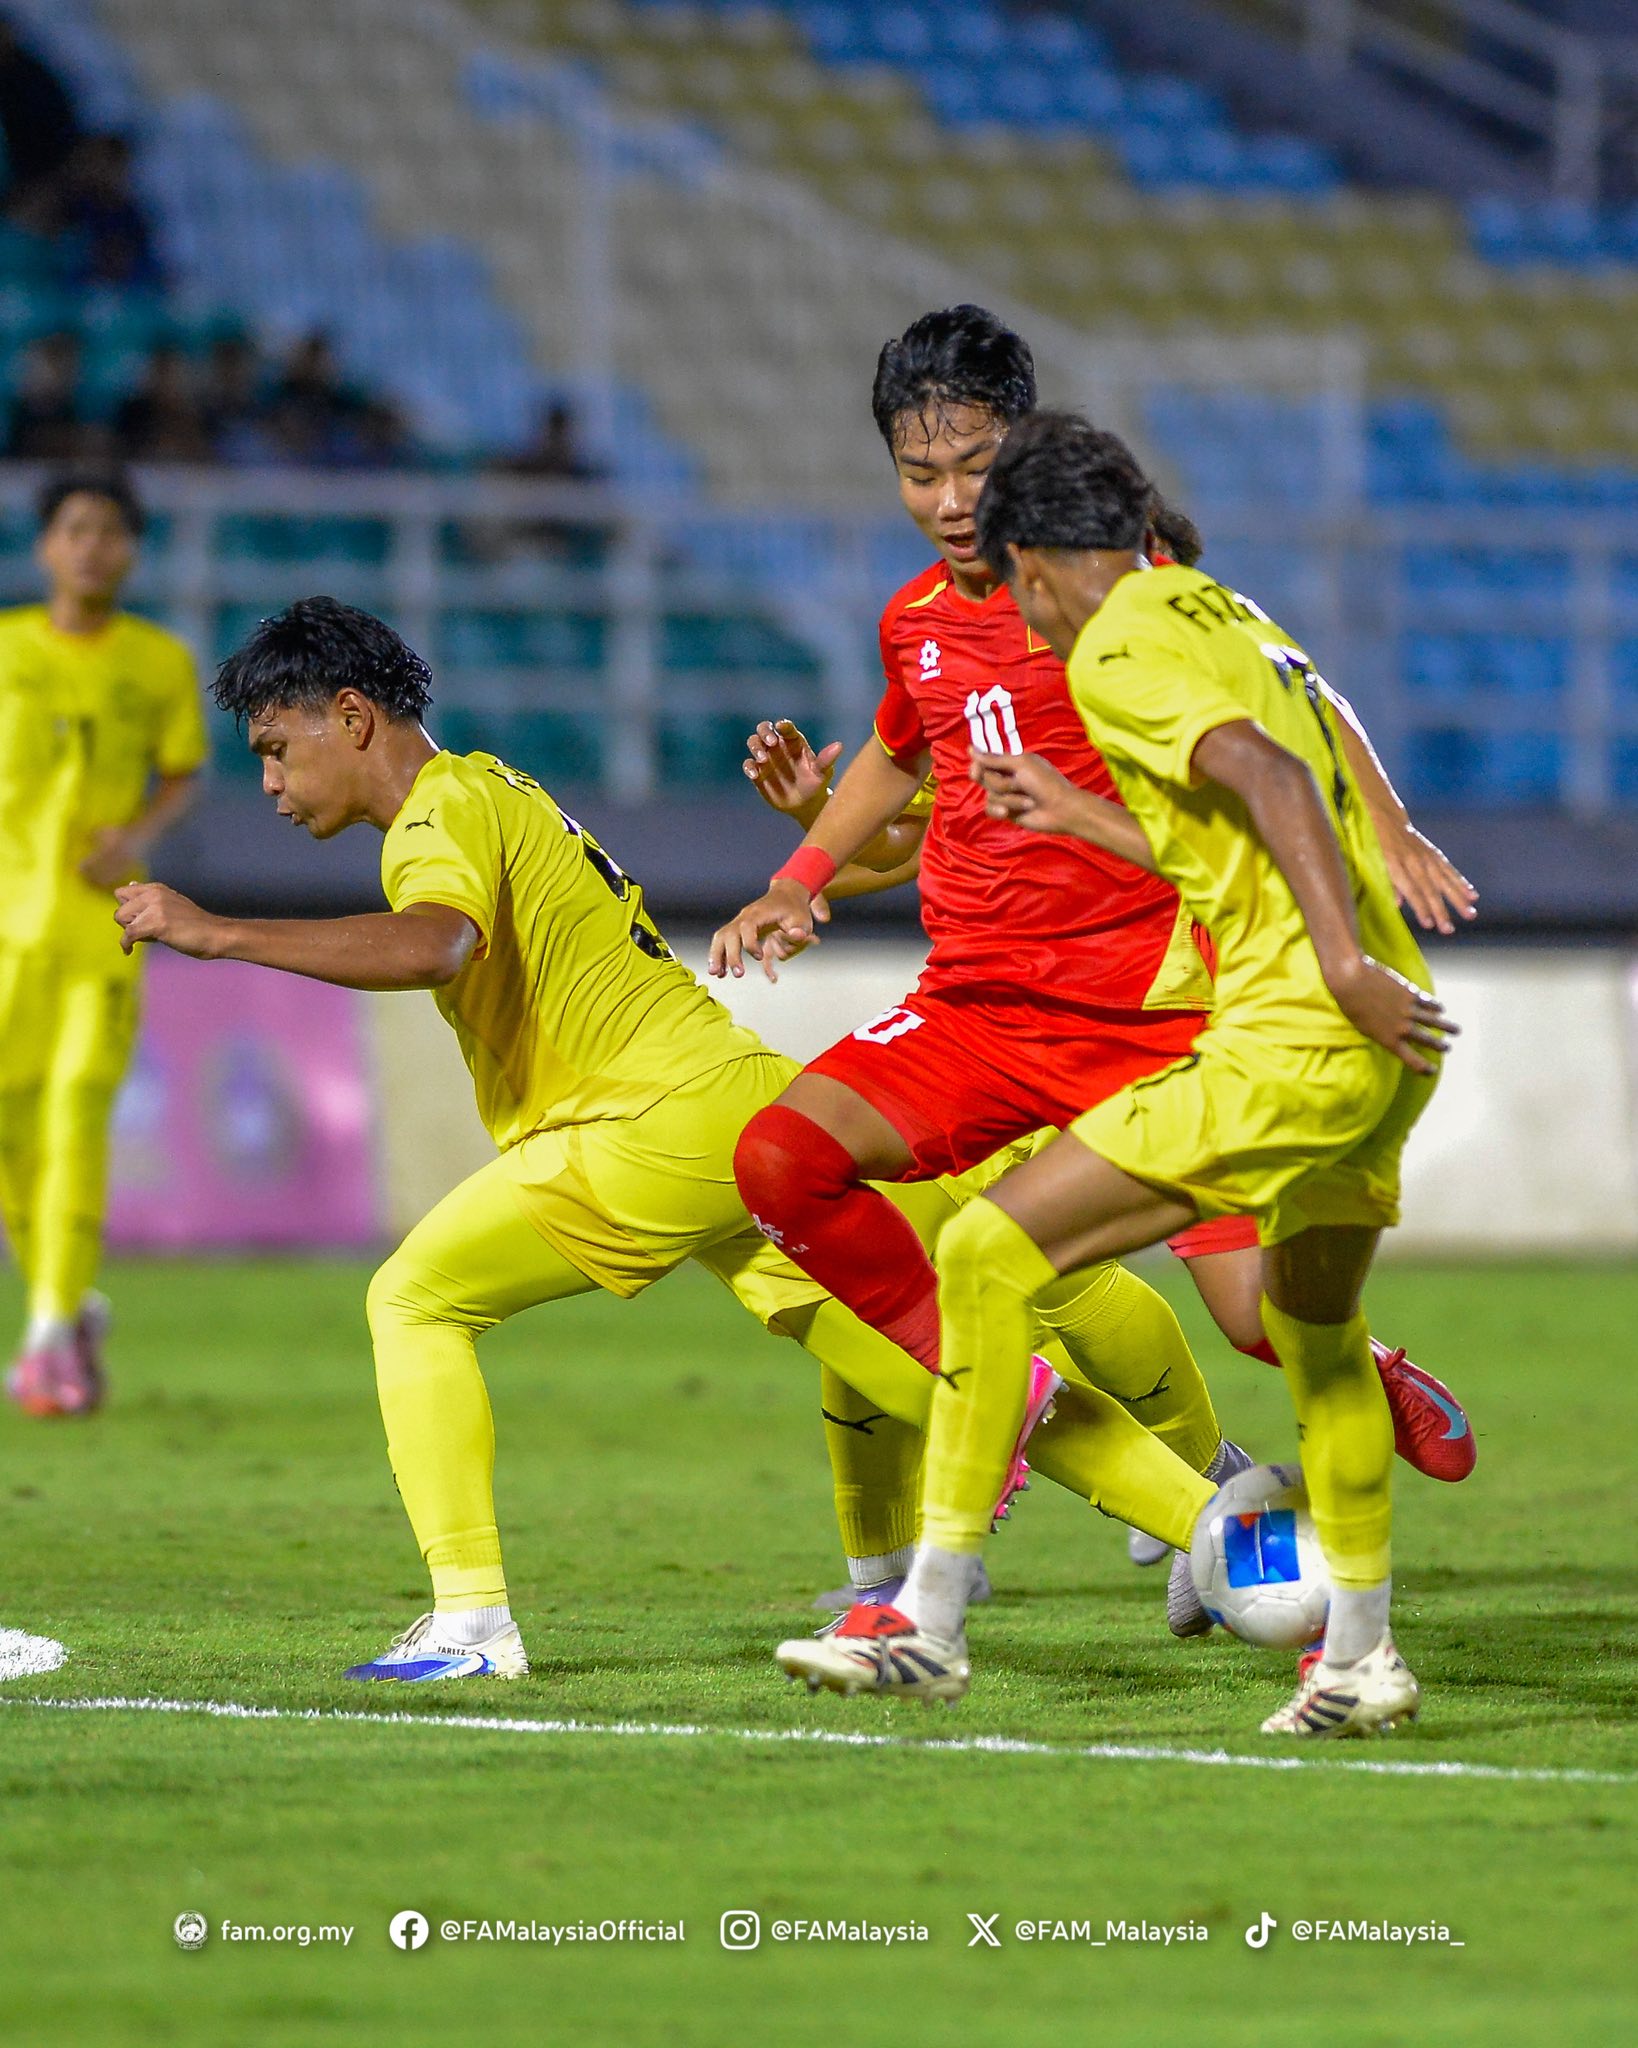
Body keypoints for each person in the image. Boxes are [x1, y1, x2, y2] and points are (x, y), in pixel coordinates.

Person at [113, 599, 1245, 1682]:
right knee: (964, 1381)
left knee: (413, 1300)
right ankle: (1237, 1538)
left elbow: (435, 946)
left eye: (276, 748)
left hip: (640, 1126)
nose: (268, 782)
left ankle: (470, 1620)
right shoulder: (494, 784)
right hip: (732, 1108)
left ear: (352, 717)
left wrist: (220, 933)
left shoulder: (438, 814)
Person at [711, 309, 1473, 1578]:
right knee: (782, 1159)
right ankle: (992, 1399)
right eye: (919, 472)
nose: (950, 501)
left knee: (1256, 1317)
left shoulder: (1121, 581)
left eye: (975, 465)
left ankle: (1367, 1371)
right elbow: (901, 750)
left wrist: (1386, 825)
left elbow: (1288, 682)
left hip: (1156, 1017)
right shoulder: (915, 621)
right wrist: (800, 873)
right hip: (978, 1011)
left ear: (1026, 445)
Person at [0, 471, 206, 1415]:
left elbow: (182, 773)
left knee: (79, 1106)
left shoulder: (158, 662)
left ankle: (46, 1340)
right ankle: (70, 1301)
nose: (92, 547)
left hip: (104, 925)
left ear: (131, 550)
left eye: (110, 531)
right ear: (46, 545)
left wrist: (138, 836)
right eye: (75, 529)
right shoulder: (7, 648)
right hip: (9, 926)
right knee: (12, 1132)